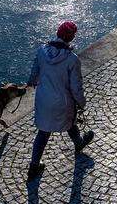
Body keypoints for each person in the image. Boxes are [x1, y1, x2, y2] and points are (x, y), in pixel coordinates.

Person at [26, 21, 94, 179]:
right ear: (71, 38)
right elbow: (76, 88)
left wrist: (31, 81)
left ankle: (34, 165)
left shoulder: (42, 51)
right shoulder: (72, 60)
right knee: (70, 123)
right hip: (63, 102)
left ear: (57, 33)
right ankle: (78, 143)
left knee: (43, 132)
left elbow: (33, 74)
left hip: (44, 100)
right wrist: (82, 103)